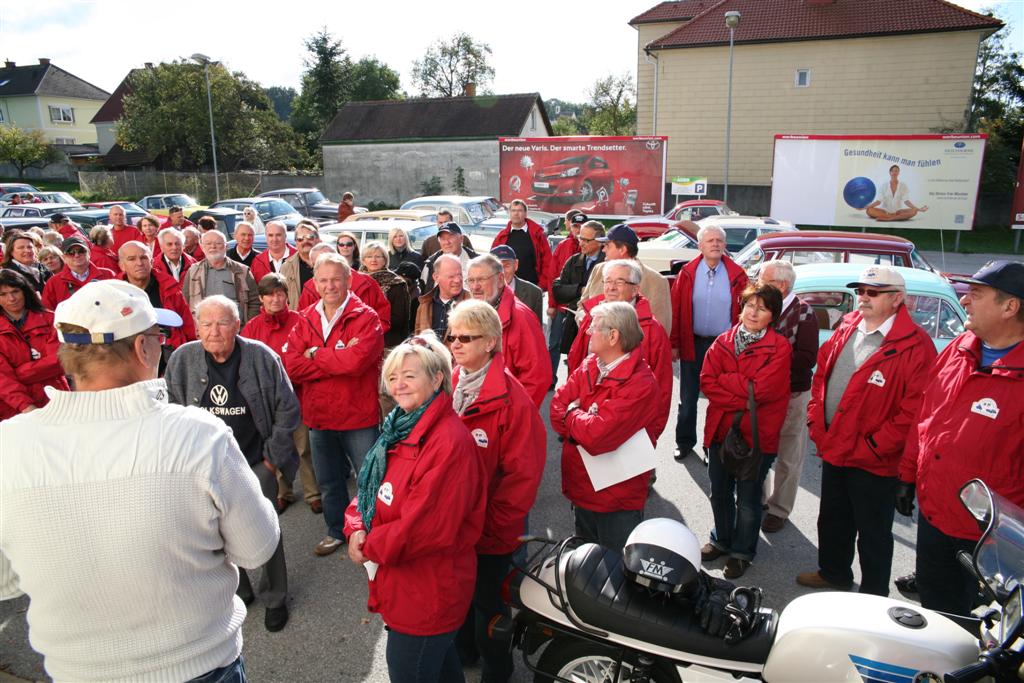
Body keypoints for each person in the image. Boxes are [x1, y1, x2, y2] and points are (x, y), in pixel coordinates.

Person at [0, 279, 279, 682]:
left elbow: (6, 581)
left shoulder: (10, 444)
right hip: (199, 665)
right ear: (141, 348)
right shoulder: (197, 435)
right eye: (157, 336)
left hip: (76, 670)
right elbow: (257, 547)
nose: (162, 345)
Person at [343, 333, 485, 683]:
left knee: (413, 669)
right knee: (441, 668)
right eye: (393, 376)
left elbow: (424, 530)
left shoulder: (447, 442)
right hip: (406, 584)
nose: (399, 384)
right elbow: (367, 489)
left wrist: (367, 544)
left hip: (429, 590)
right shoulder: (398, 428)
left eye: (410, 375)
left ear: (437, 379)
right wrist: (355, 525)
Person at [797, 266, 935, 595]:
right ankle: (833, 573)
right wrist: (816, 420)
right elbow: (821, 379)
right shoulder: (848, 326)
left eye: (873, 292)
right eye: (860, 291)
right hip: (835, 448)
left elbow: (914, 411)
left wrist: (874, 445)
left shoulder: (916, 346)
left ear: (897, 299)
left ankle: (873, 595)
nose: (862, 298)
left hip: (874, 460)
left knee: (872, 533)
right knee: (832, 519)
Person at [165, 295, 299, 632]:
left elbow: (288, 409)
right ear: (196, 328)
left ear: (237, 325)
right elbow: (168, 411)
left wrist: (272, 461)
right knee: (214, 533)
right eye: (206, 324)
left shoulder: (261, 357)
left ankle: (275, 597)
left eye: (222, 322)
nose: (213, 332)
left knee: (266, 532)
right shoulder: (182, 360)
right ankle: (240, 590)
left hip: (255, 463)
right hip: (202, 466)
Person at [898, 260, 1024, 617]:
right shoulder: (959, 349)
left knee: (983, 626)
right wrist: (907, 476)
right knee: (936, 610)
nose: (964, 301)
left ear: (1009, 307)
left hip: (990, 536)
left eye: (976, 294)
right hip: (935, 516)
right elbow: (925, 417)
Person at [447, 299, 544, 678]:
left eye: (465, 337)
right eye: (451, 336)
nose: (455, 344)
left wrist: (490, 528)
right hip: (454, 526)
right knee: (458, 600)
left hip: (488, 531)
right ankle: (466, 655)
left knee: (489, 607)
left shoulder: (513, 401)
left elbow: (521, 479)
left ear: (490, 342)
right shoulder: (451, 381)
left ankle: (497, 672)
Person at [282, 254, 384, 557]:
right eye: (323, 280)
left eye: (336, 279)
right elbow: (291, 365)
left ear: (349, 280)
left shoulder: (366, 317)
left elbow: (356, 363)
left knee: (369, 480)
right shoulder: (306, 317)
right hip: (320, 416)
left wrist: (315, 354)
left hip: (357, 416)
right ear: (314, 283)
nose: (330, 286)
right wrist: (333, 358)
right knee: (329, 482)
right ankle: (336, 530)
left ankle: (373, 534)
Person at [551, 302, 666, 551]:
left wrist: (572, 413)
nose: (588, 331)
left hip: (617, 498)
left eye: (594, 326)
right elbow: (556, 407)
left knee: (615, 574)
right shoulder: (590, 364)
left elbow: (596, 436)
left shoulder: (641, 384)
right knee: (584, 569)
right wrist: (580, 418)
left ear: (613, 336)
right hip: (584, 488)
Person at [700, 283, 791, 579]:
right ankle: (721, 539)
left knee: (749, 500)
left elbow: (762, 391)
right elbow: (707, 383)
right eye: (750, 305)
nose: (753, 312)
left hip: (756, 436)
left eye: (762, 308)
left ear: (772, 316)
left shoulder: (779, 348)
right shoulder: (723, 341)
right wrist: (744, 389)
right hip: (720, 430)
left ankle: (742, 551)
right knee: (719, 492)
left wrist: (730, 383)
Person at [242, 273, 321, 515]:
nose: (275, 299)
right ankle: (282, 491)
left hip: (299, 393)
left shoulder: (301, 320)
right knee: (276, 445)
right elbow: (246, 363)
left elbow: (314, 353)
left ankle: (313, 492)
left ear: (287, 295)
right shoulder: (252, 327)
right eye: (269, 295)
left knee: (304, 446)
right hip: (268, 399)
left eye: (279, 293)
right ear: (262, 299)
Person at [670, 224, 748, 461]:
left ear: (725, 246)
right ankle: (684, 442)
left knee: (719, 399)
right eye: (710, 240)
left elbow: (745, 311)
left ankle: (711, 446)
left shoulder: (738, 275)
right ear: (700, 246)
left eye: (719, 241)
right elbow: (676, 310)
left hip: (724, 347)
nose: (715, 244)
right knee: (688, 397)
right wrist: (674, 343)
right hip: (693, 343)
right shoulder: (687, 273)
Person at [569, 259, 672, 435]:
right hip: (585, 420)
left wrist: (652, 433)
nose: (611, 287)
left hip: (629, 428)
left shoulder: (651, 330)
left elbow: (662, 385)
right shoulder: (591, 317)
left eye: (619, 282)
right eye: (608, 281)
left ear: (635, 289)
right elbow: (576, 363)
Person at [758, 260, 819, 533]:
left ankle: (779, 509)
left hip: (792, 394)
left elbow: (806, 359)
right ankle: (758, 499)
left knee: (789, 455)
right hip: (761, 394)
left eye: (763, 280)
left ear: (781, 285)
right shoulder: (761, 307)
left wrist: (770, 360)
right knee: (757, 448)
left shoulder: (805, 313)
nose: (758, 285)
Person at [465, 254, 551, 406]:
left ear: (499, 280)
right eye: (471, 280)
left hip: (505, 415)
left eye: (481, 279)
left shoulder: (521, 317)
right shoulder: (473, 312)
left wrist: (514, 416)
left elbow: (537, 377)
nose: (475, 286)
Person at [0, 269, 69, 420]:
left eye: (15, 291)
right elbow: (3, 379)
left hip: (56, 398)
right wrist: (26, 406)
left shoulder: (50, 319)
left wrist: (18, 374)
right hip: (14, 409)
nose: (11, 298)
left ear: (25, 291)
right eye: (3, 294)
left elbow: (59, 360)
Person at [581, 224, 672, 334]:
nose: (603, 249)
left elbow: (661, 329)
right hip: (594, 345)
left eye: (608, 245)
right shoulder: (599, 270)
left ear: (622, 250)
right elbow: (582, 304)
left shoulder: (656, 281)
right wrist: (584, 321)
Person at [552, 221, 605, 384]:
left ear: (600, 241)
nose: (580, 242)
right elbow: (557, 290)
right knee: (574, 372)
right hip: (574, 324)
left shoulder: (608, 264)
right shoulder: (574, 260)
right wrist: (579, 290)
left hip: (599, 329)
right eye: (580, 238)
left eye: (585, 240)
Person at [118, 241, 196, 352]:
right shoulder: (114, 293)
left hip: (167, 355)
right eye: (131, 259)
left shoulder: (170, 288)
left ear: (151, 261)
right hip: (128, 356)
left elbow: (188, 325)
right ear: (122, 265)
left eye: (144, 258)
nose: (139, 263)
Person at [298, 243, 393, 330]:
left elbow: (382, 319)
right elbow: (303, 326)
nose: (330, 286)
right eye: (319, 264)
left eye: (330, 262)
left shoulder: (367, 282)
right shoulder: (310, 287)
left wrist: (364, 336)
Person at [186, 230, 260, 326]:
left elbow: (254, 302)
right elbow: (185, 302)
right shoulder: (192, 271)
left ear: (226, 246)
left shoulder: (242, 271)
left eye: (218, 243)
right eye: (208, 243)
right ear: (202, 247)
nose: (213, 246)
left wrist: (247, 328)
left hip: (235, 330)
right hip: (204, 332)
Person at [547, 211, 586, 385]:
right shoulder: (563, 246)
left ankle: (574, 382)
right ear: (570, 225)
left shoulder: (593, 250)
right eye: (576, 226)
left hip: (582, 310)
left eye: (582, 227)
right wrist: (552, 304)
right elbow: (552, 277)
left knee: (578, 348)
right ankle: (550, 378)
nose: (578, 230)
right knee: (553, 344)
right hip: (562, 307)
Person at [490, 199, 552, 291]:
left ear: (526, 214)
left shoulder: (537, 235)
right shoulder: (501, 237)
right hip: (506, 288)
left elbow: (547, 261)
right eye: (513, 211)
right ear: (509, 213)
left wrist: (542, 286)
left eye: (519, 211)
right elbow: (492, 262)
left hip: (532, 287)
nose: (516, 214)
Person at [41, 236, 115, 310]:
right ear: (64, 258)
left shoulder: (108, 275)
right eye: (71, 253)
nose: (76, 255)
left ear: (89, 253)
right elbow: (48, 313)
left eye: (81, 251)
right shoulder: (53, 283)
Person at [361, 240, 411, 348]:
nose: (373, 260)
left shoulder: (396, 283)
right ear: (363, 260)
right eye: (369, 256)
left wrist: (370, 323)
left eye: (378, 256)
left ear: (385, 259)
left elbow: (399, 318)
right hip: (359, 339)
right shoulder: (356, 281)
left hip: (387, 341)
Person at [414, 253, 469, 338]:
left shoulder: (472, 303)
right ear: (436, 277)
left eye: (460, 275)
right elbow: (418, 338)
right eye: (451, 276)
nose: (458, 280)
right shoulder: (424, 304)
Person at [490, 244, 543, 321]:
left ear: (516, 265)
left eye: (507, 265)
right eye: (497, 267)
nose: (502, 272)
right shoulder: (480, 292)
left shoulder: (534, 293)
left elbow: (536, 329)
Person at [280, 222, 321, 309]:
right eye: (300, 239)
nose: (305, 241)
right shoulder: (286, 267)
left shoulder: (331, 264)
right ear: (295, 242)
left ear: (318, 240)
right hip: (299, 319)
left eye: (310, 237)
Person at [3, 230, 51, 294]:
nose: (27, 250)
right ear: (11, 252)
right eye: (21, 247)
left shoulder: (43, 268)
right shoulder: (7, 274)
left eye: (30, 247)